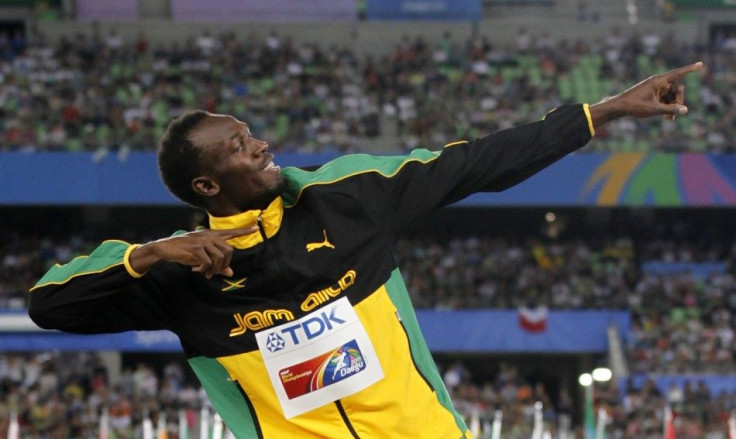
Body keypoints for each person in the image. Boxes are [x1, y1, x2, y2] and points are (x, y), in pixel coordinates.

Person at [28, 62, 703, 438]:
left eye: (250, 132)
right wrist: (147, 256)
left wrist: (605, 110)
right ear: (206, 184)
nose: (260, 144)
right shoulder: (180, 277)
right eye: (238, 146)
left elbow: (477, 163)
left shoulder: (348, 197)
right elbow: (48, 304)